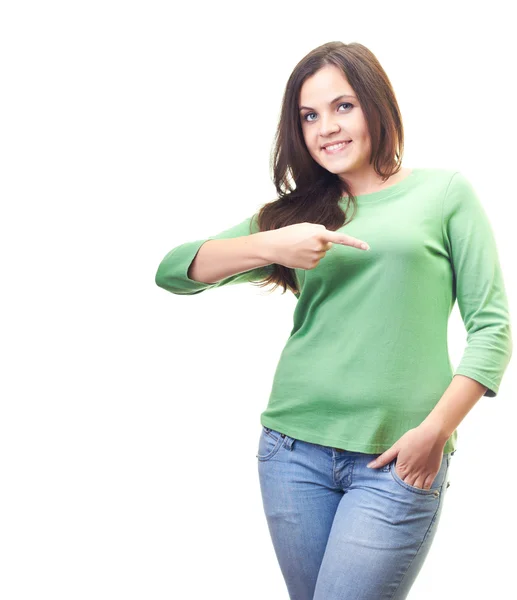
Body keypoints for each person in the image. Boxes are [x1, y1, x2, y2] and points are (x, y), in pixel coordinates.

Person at [155, 41, 512, 600]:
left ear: (376, 106)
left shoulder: (444, 193)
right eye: (309, 115)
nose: (327, 127)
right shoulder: (295, 218)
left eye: (343, 106)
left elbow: (492, 329)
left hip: (398, 459)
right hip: (292, 453)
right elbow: (175, 270)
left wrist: (435, 434)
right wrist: (274, 242)